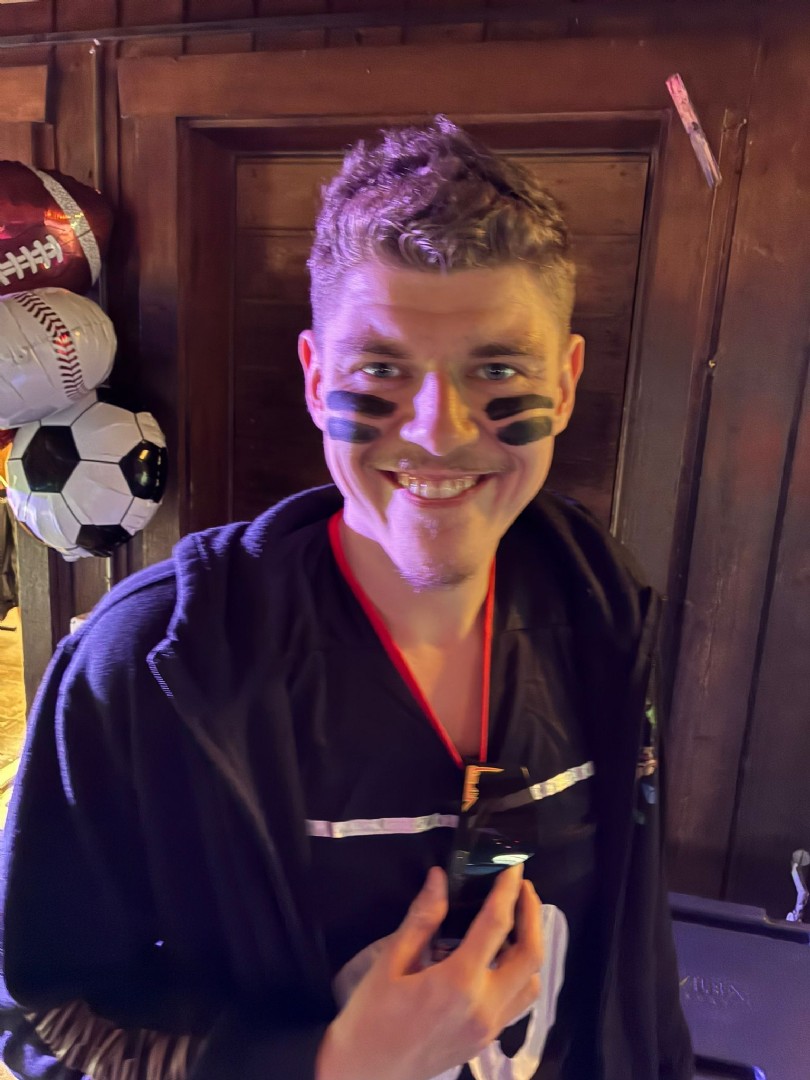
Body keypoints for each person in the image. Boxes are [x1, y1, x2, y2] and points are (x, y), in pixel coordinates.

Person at [0, 116, 693, 1080]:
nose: (438, 431)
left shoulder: (602, 607)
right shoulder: (148, 667)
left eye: (498, 369)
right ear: (317, 377)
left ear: (566, 384)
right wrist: (328, 1066)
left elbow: (636, 959)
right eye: (382, 369)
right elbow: (47, 1019)